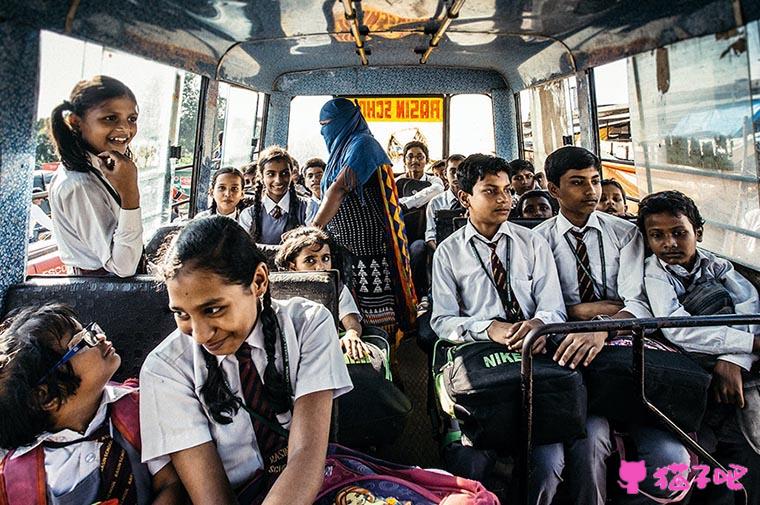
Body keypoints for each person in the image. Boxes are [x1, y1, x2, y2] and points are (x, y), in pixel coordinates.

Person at [430, 154, 610, 505]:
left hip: (535, 354)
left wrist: (539, 323)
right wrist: (488, 328)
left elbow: (552, 305)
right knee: (470, 462)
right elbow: (442, 321)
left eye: (508, 191)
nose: (505, 199)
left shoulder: (532, 243)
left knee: (548, 462)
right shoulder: (449, 253)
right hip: (482, 358)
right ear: (465, 197)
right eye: (491, 191)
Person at [139, 216, 353, 504]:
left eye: (213, 309)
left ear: (259, 281)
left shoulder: (309, 324)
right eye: (181, 314)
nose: (200, 335)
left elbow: (305, 457)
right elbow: (212, 498)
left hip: (308, 485)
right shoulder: (165, 369)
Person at [534, 146, 689, 503]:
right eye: (577, 183)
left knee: (672, 460)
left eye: (594, 181)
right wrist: (584, 313)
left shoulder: (625, 233)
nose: (592, 191)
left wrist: (601, 325)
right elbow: (547, 307)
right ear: (553, 189)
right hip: (568, 355)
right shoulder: (536, 240)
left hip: (625, 352)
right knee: (589, 442)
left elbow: (637, 302)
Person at [639, 190, 760, 504]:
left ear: (699, 233)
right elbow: (678, 329)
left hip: (737, 365)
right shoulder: (655, 274)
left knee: (747, 448)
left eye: (679, 233)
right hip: (693, 372)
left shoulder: (717, 266)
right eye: (657, 236)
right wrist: (749, 343)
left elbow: (748, 306)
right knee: (706, 451)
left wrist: (734, 358)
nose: (669, 244)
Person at [0, 304, 183, 504]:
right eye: (80, 342)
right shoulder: (15, 476)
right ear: (46, 397)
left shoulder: (137, 408)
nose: (99, 337)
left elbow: (170, 482)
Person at [311, 98, 416, 340]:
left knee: (375, 311)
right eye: (322, 125)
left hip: (368, 248)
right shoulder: (342, 150)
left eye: (329, 123)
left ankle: (385, 352)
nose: (325, 129)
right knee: (349, 307)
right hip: (343, 247)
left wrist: (312, 230)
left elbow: (338, 189)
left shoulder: (364, 145)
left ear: (347, 121)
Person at [48, 75, 143, 277]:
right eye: (110, 118)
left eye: (132, 119)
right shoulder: (78, 184)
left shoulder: (102, 169)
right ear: (76, 122)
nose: (125, 129)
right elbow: (123, 267)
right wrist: (130, 193)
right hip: (100, 292)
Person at [275, 226, 370, 360]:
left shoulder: (337, 288)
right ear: (292, 266)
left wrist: (351, 334)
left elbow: (351, 321)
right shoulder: (278, 290)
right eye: (310, 260)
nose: (320, 267)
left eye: (325, 258)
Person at [239, 145, 307, 245]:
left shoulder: (308, 207)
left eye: (284, 173)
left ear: (291, 174)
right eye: (271, 174)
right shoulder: (248, 215)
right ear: (261, 176)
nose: (278, 180)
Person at [424, 154, 465, 251]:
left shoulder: (475, 201)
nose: (456, 176)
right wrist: (441, 254)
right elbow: (430, 236)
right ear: (445, 174)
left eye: (460, 172)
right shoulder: (435, 203)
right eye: (453, 172)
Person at [396, 141, 445, 211]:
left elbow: (438, 189)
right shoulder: (396, 181)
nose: (415, 160)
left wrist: (405, 203)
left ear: (427, 160)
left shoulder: (433, 180)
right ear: (404, 160)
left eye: (420, 157)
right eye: (410, 157)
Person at [303, 158, 326, 223]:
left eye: (319, 175)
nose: (314, 179)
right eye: (310, 176)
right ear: (305, 182)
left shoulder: (335, 200)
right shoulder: (303, 205)